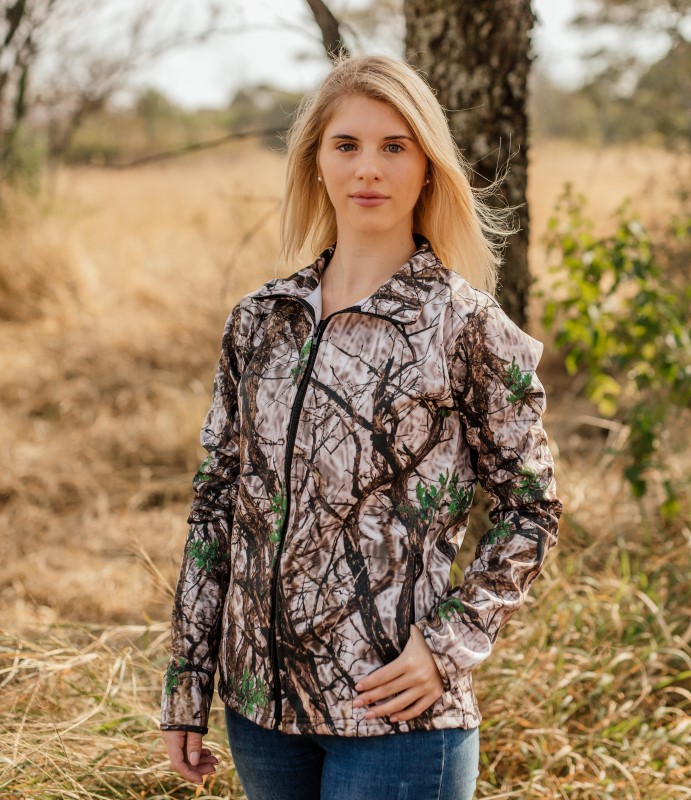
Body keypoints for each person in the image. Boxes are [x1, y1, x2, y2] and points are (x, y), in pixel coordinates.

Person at [159, 54, 562, 800]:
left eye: (394, 146)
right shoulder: (261, 320)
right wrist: (188, 682)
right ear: (316, 162)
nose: (368, 168)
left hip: (397, 720)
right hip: (260, 712)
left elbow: (531, 509)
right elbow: (217, 502)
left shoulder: (465, 325)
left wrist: (448, 644)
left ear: (428, 167)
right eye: (346, 145)